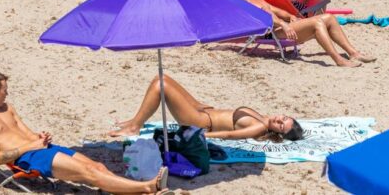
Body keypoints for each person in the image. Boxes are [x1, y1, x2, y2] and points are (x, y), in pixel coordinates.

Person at [0, 71, 167, 193]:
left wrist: (39, 138)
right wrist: (31, 145)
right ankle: (147, 187)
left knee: (97, 166)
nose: (8, 93)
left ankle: (143, 192)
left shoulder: (7, 108)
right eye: (5, 90)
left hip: (40, 149)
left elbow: (27, 133)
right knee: (89, 173)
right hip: (28, 160)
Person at [231, 0, 373, 67]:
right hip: (271, 32)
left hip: (281, 26)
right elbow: (263, 17)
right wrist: (284, 25)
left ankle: (354, 53)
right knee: (317, 22)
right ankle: (339, 60)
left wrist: (290, 16)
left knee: (329, 17)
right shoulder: (243, 2)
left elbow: (274, 10)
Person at [108, 74, 303, 142]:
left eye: (280, 126)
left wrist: (203, 136)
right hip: (203, 110)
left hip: (200, 122)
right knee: (164, 77)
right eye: (284, 118)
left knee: (161, 85)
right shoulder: (264, 117)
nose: (279, 120)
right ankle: (135, 121)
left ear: (277, 132)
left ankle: (135, 127)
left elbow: (229, 136)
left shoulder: (259, 127)